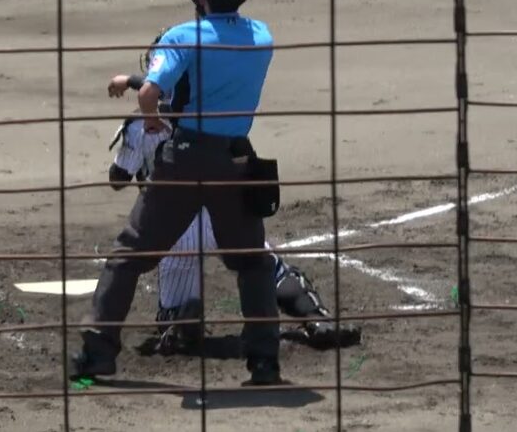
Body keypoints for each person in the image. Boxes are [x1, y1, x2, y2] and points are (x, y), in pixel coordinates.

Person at [71, 0, 283, 385]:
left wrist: (150, 120)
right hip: (237, 160)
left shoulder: (184, 35)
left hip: (186, 159)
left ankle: (98, 353)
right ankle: (264, 362)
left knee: (129, 255)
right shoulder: (262, 35)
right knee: (252, 264)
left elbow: (153, 94)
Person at [108, 106, 362, 354]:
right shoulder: (217, 112)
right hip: (221, 217)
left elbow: (117, 180)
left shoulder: (138, 124)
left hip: (172, 229)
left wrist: (138, 147)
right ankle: (316, 317)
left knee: (167, 301)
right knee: (264, 267)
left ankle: (180, 325)